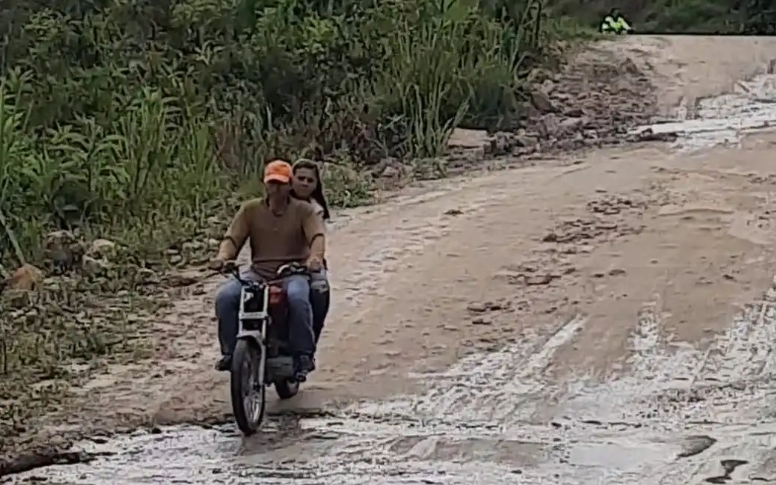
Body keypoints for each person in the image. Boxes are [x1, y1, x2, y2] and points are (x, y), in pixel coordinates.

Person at [209, 159, 326, 381]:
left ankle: (303, 354)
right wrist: (223, 257)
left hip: (292, 272)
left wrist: (315, 258)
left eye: (282, 183)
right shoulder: (250, 210)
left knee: (298, 298)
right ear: (265, 184)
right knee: (225, 297)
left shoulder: (304, 210)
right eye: (272, 183)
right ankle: (230, 353)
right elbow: (233, 239)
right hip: (258, 272)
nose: (277, 188)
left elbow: (316, 237)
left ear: (290, 185)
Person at [290, 159, 331, 347]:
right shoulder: (277, 203)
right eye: (300, 178)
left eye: (310, 180)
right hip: (271, 262)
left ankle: (308, 343)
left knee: (319, 291)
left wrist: (315, 259)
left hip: (304, 263)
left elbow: (317, 238)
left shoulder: (315, 210)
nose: (305, 183)